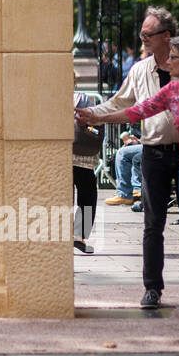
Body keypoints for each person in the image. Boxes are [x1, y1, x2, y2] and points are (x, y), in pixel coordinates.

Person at [76, 6, 179, 309]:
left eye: (148, 35)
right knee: (152, 224)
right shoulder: (139, 70)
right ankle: (152, 289)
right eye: (142, 34)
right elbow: (122, 104)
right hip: (153, 152)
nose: (142, 39)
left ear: (166, 36)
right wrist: (92, 113)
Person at [72, 82, 103, 254]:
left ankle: (69, 236)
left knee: (65, 198)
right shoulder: (82, 99)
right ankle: (79, 236)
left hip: (64, 156)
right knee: (87, 196)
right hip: (82, 157)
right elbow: (95, 125)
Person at [106, 132, 143, 206]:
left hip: (158, 147)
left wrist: (140, 141)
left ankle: (125, 194)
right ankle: (136, 188)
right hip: (158, 145)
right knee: (132, 155)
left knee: (122, 153)